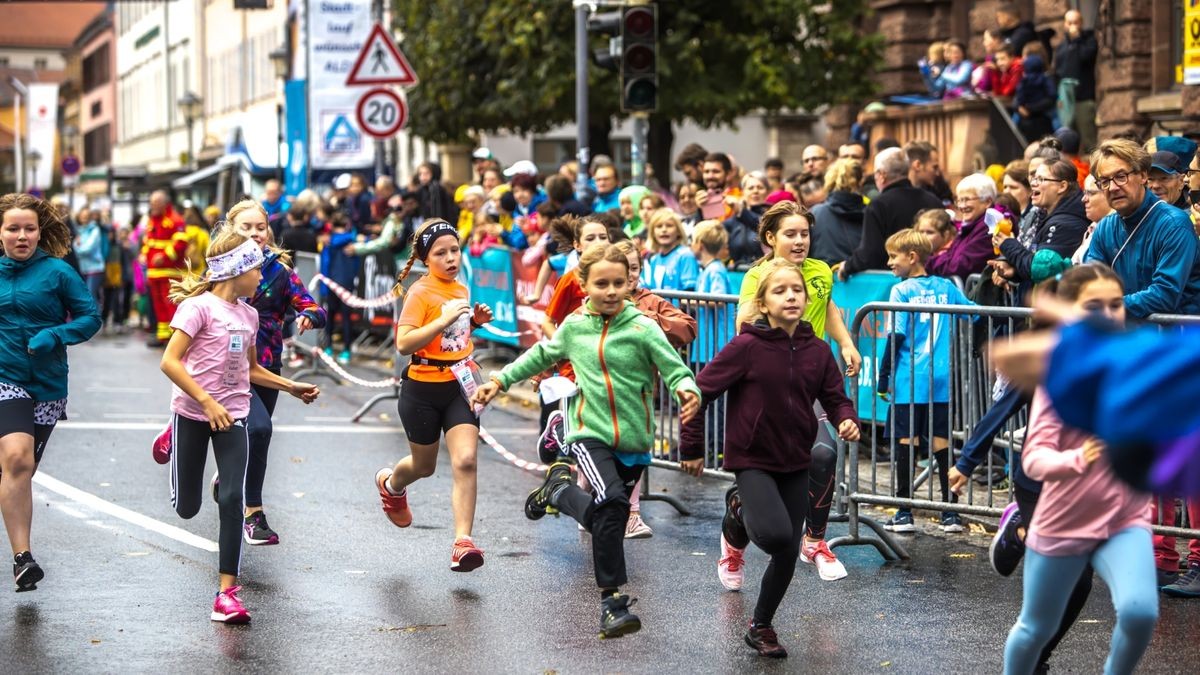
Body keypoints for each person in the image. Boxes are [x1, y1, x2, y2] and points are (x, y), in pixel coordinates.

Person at [472, 243, 702, 639]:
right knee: (613, 501)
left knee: (607, 516)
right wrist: (498, 380)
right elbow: (540, 355)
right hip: (587, 432)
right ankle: (612, 602)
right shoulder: (575, 326)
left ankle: (558, 492)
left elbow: (673, 366)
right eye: (602, 283)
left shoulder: (643, 327)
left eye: (619, 282)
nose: (611, 290)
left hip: (635, 439)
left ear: (630, 283)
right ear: (584, 284)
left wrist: (687, 389)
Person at [680, 258, 859, 658]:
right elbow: (699, 392)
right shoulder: (747, 347)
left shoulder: (817, 351)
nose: (791, 297)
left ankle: (761, 626)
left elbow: (834, 397)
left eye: (797, 290)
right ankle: (739, 512)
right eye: (780, 291)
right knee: (776, 535)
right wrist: (690, 447)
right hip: (753, 459)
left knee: (786, 548)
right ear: (762, 303)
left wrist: (847, 419)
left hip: (796, 460)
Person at [159, 229, 320, 622]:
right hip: (194, 413)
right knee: (187, 508)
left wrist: (290, 386)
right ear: (236, 271)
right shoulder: (197, 309)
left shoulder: (249, 314)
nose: (261, 280)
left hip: (234, 413)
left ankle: (226, 594)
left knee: (233, 500)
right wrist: (206, 401)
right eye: (255, 272)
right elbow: (169, 362)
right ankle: (170, 436)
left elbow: (250, 369)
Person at [1001, 275, 1158, 675]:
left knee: (1140, 613)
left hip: (1125, 517)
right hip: (1065, 520)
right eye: (1093, 307)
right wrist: (1078, 459)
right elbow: (1033, 458)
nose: (1109, 314)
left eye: (1116, 304)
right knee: (1036, 629)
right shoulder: (1062, 378)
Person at [725, 201, 862, 585]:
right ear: (771, 238)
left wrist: (846, 342)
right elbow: (743, 325)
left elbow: (827, 306)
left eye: (804, 233)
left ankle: (814, 541)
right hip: (768, 386)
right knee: (768, 478)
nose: (800, 241)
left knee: (822, 453)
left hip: (808, 380)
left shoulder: (819, 271)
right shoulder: (758, 277)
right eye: (790, 234)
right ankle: (734, 535)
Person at [374, 219, 494, 572]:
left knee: (466, 460)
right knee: (424, 467)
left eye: (454, 250)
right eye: (440, 253)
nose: (450, 258)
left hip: (459, 384)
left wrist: (473, 324)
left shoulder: (460, 289)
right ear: (426, 259)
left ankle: (463, 542)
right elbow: (405, 342)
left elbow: (452, 340)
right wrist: (441, 321)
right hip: (422, 389)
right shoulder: (420, 293)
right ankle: (392, 484)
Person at [0, 193, 101, 592]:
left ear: (40, 232)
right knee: (17, 458)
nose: (21, 236)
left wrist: (54, 334)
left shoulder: (58, 272)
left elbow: (91, 318)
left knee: (20, 473)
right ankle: (23, 558)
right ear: (0, 233)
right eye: (13, 229)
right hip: (5, 378)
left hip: (48, 385)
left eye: (28, 228)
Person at [225, 200, 326, 545]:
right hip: (227, 367)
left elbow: (312, 304)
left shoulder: (279, 271)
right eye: (246, 227)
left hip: (267, 364)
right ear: (230, 230)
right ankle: (253, 514)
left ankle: (229, 479)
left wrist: (309, 316)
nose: (255, 233)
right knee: (259, 428)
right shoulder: (221, 268)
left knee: (256, 436)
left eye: (260, 227)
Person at [877, 229, 975, 534]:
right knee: (940, 441)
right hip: (941, 378)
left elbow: (897, 335)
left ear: (912, 257)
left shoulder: (902, 291)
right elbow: (975, 314)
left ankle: (904, 512)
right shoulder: (945, 287)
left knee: (907, 441)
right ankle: (950, 514)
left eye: (894, 256)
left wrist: (883, 377)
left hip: (908, 377)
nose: (889, 262)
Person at [1084, 139, 1200, 318]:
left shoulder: (1174, 224)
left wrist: (1109, 308)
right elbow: (1090, 284)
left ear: (1143, 176)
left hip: (1174, 339)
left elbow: (1164, 295)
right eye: (1104, 181)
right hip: (1124, 337)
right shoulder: (1105, 227)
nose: (1113, 187)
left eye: (1121, 176)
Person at [839, 147, 943, 280]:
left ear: (882, 175)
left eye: (875, 174)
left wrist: (848, 266)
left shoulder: (878, 205)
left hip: (891, 287)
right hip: (932, 281)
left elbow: (870, 253)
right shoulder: (933, 200)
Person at [993, 159, 1089, 286]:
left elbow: (1045, 271)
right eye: (1033, 178)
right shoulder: (1047, 216)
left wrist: (1009, 245)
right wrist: (1015, 271)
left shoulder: (1065, 224)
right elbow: (1035, 264)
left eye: (1041, 179)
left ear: (1062, 186)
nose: (1033, 183)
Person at [926, 174, 1001, 280]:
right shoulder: (971, 226)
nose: (962, 206)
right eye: (959, 200)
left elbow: (960, 266)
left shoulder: (990, 227)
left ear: (987, 202)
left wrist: (926, 262)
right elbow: (950, 257)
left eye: (967, 200)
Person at [141, 190, 187, 347]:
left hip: (170, 272)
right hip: (154, 272)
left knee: (171, 305)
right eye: (151, 203)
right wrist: (144, 254)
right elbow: (148, 242)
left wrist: (165, 256)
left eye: (155, 203)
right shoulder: (152, 220)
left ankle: (176, 339)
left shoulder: (175, 220)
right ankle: (163, 337)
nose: (152, 206)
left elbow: (181, 243)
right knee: (158, 305)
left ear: (164, 203)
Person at [1054, 10, 1098, 152]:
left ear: (1081, 23)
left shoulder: (1089, 41)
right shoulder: (1061, 47)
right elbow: (1059, 71)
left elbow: (1086, 57)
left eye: (1076, 22)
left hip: (1083, 98)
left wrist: (1077, 41)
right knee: (1066, 141)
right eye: (1069, 22)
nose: (1073, 26)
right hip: (1066, 100)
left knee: (1088, 139)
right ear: (1065, 24)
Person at [319, 212, 359, 364]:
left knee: (330, 316)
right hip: (346, 285)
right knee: (346, 318)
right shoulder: (353, 242)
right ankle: (346, 350)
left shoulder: (329, 242)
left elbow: (325, 265)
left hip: (331, 284)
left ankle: (329, 347)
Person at [690, 220, 732, 365]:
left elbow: (719, 300)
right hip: (707, 341)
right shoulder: (706, 269)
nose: (690, 245)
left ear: (700, 244)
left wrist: (687, 301)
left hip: (717, 342)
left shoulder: (715, 270)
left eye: (692, 241)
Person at [809, 158, 865, 266]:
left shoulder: (816, 213)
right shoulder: (871, 212)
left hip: (825, 278)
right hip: (867, 279)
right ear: (860, 182)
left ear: (829, 181)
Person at [644, 208, 699, 292]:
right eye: (659, 226)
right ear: (653, 233)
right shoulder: (654, 260)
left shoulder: (686, 255)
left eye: (669, 225)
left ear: (678, 231)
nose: (664, 230)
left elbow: (690, 291)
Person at [1147, 136, 1197, 211]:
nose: (1155, 186)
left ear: (1181, 181)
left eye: (1164, 178)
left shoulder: (1193, 215)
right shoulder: (1136, 211)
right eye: (1150, 179)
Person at [73, 207, 107, 313]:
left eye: (87, 216)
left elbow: (88, 249)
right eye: (83, 216)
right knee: (87, 295)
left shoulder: (94, 230)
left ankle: (95, 321)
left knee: (91, 294)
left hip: (95, 268)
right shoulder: (79, 230)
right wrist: (77, 246)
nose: (84, 218)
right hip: (84, 269)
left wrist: (77, 247)